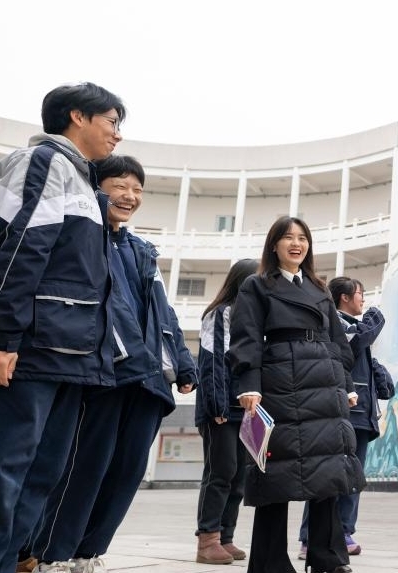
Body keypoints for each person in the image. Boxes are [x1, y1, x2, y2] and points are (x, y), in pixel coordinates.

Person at [29, 155, 198, 573]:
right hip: (104, 373)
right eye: (120, 185)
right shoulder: (85, 238)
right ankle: (52, 553)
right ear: (97, 188)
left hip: (148, 380)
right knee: (84, 468)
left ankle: (88, 553)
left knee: (126, 472)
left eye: (137, 189)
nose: (129, 196)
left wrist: (183, 361)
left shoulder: (142, 250)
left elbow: (162, 311)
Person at [0, 82, 125, 573]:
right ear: (78, 116)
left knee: (42, 474)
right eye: (112, 122)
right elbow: (21, 247)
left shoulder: (84, 182)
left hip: (68, 354)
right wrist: (5, 337)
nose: (117, 134)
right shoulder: (45, 162)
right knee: (8, 468)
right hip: (32, 347)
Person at [228, 216, 365, 573]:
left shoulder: (319, 289)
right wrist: (249, 385)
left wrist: (347, 385)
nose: (296, 244)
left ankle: (328, 558)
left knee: (328, 472)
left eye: (302, 238)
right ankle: (270, 564)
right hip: (279, 383)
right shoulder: (257, 286)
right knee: (275, 476)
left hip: (323, 382)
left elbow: (337, 342)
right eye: (288, 237)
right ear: (273, 245)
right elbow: (246, 337)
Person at [297, 278, 391, 558]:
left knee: (352, 477)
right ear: (344, 297)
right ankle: (312, 537)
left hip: (361, 414)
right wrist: (375, 317)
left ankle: (343, 532)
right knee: (327, 476)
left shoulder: (350, 324)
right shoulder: (336, 322)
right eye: (360, 293)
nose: (364, 299)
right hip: (343, 411)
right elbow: (355, 342)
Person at [193, 259, 259, 565]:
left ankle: (226, 537)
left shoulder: (254, 317)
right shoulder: (220, 314)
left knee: (238, 477)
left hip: (246, 410)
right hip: (220, 410)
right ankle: (207, 539)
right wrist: (217, 406)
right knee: (220, 472)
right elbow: (212, 362)